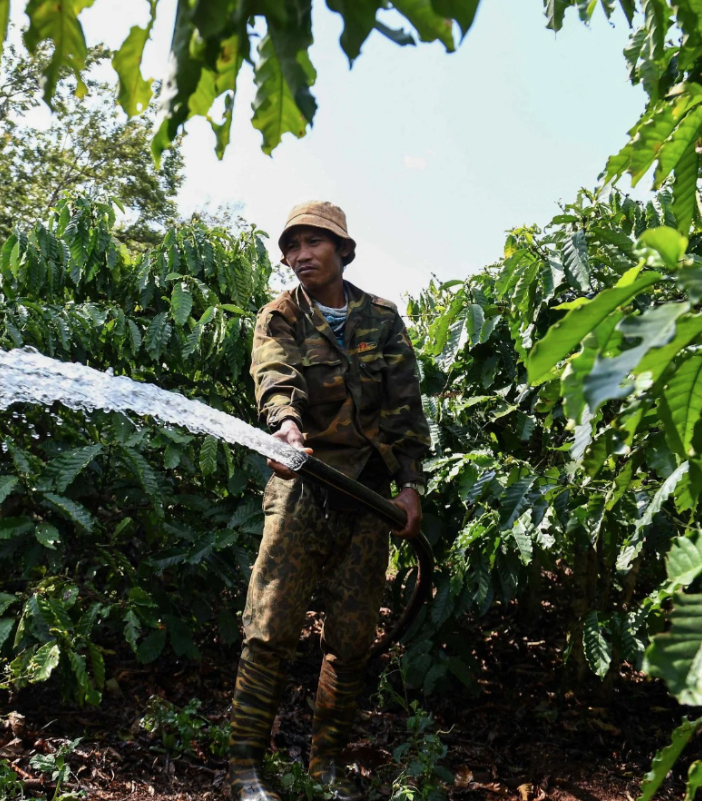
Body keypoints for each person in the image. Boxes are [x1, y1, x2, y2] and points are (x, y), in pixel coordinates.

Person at [227, 201, 431, 800]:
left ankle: (327, 767)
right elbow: (275, 375)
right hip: (302, 488)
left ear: (343, 250)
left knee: (352, 640)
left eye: (314, 243)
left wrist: (410, 483)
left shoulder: (383, 319)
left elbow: (404, 408)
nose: (300, 255)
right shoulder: (281, 314)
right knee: (268, 630)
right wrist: (285, 426)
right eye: (292, 246)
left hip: (367, 497)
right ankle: (244, 770)